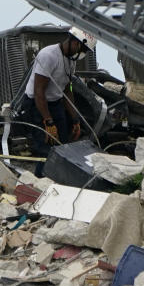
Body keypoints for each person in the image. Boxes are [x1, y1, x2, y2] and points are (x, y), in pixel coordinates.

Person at [22, 26, 97, 175]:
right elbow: (39, 92)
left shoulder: (70, 61)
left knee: (62, 146)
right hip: (37, 104)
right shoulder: (49, 56)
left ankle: (58, 180)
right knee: (46, 149)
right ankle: (41, 181)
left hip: (55, 103)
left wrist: (75, 119)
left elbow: (67, 90)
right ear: (75, 43)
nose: (82, 54)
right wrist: (48, 121)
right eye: (83, 50)